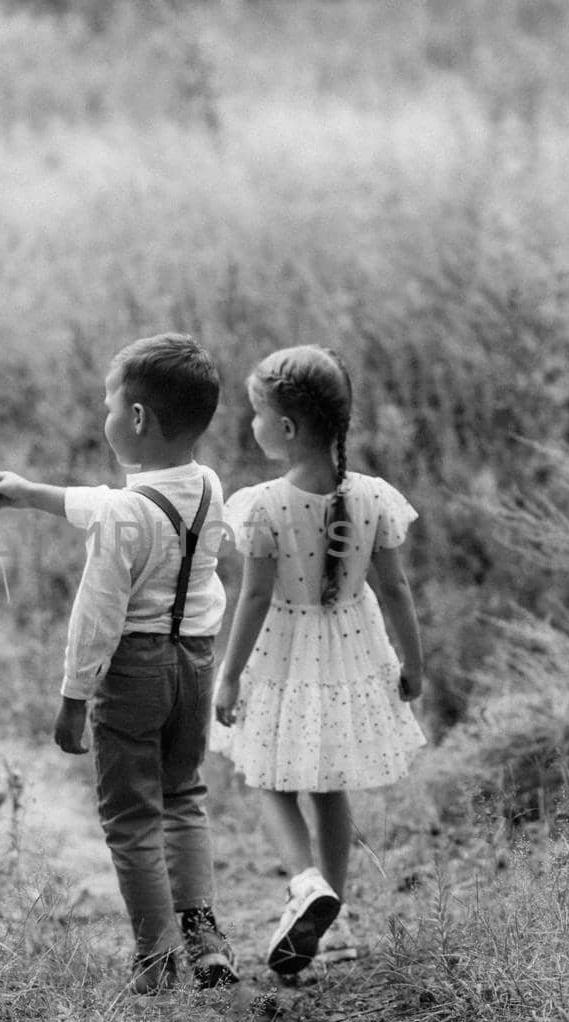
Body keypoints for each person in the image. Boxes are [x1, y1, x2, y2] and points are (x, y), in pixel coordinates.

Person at [0, 333, 239, 995]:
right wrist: (34, 492)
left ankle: (156, 959)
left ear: (139, 418)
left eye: (110, 405)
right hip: (195, 663)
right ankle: (203, 935)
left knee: (130, 817)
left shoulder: (126, 515)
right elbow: (119, 507)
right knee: (183, 799)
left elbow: (96, 614)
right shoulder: (206, 485)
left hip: (133, 673)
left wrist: (72, 696)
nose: (106, 417)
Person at [211, 344, 425, 976]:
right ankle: (338, 920)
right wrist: (414, 663)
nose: (251, 427)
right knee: (329, 787)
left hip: (280, 657)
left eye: (256, 415)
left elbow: (252, 597)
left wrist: (228, 675)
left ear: (286, 428)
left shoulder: (264, 505)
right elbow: (396, 590)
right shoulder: (374, 498)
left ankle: (307, 883)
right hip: (351, 656)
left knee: (267, 778)